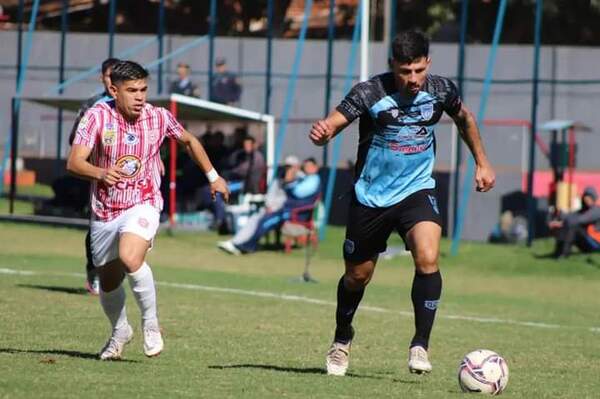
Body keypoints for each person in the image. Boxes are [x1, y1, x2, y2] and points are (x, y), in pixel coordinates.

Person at [309, 30, 496, 376]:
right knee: (357, 276)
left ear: (428, 63)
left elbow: (464, 118)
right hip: (372, 197)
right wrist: (324, 133)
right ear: (392, 65)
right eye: (405, 71)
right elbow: (334, 123)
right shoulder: (370, 92)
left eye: (418, 70)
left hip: (417, 190)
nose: (412, 79)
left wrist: (482, 162)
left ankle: (420, 345)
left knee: (428, 257)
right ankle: (341, 339)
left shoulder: (441, 90)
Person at [66, 60, 229, 360]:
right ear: (114, 90)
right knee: (110, 281)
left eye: (143, 89)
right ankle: (119, 332)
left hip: (144, 201)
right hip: (105, 211)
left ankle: (151, 324)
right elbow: (74, 161)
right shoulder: (96, 117)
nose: (140, 96)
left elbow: (190, 141)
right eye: (132, 90)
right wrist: (100, 173)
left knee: (131, 256)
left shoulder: (158, 116)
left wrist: (213, 177)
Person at [68, 57, 120, 296]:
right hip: (97, 177)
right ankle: (94, 270)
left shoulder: (132, 104)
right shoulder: (92, 105)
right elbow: (74, 141)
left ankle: (116, 272)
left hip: (127, 178)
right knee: (98, 228)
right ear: (103, 78)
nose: (114, 81)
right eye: (110, 76)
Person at [218, 157, 320, 255]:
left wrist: (289, 182)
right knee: (257, 219)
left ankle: (245, 246)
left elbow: (299, 192)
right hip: (283, 211)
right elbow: (275, 194)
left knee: (264, 222)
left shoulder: (312, 179)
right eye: (306, 166)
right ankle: (237, 243)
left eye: (291, 167)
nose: (289, 169)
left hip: (293, 214)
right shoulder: (292, 178)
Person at [549, 186, 600, 258]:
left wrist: (561, 222)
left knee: (573, 226)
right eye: (585, 196)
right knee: (565, 226)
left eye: (589, 197)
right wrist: (559, 214)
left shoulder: (596, 211)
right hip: (588, 241)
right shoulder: (584, 210)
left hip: (595, 244)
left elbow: (579, 220)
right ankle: (558, 252)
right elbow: (572, 216)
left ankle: (564, 253)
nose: (586, 199)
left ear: (593, 198)